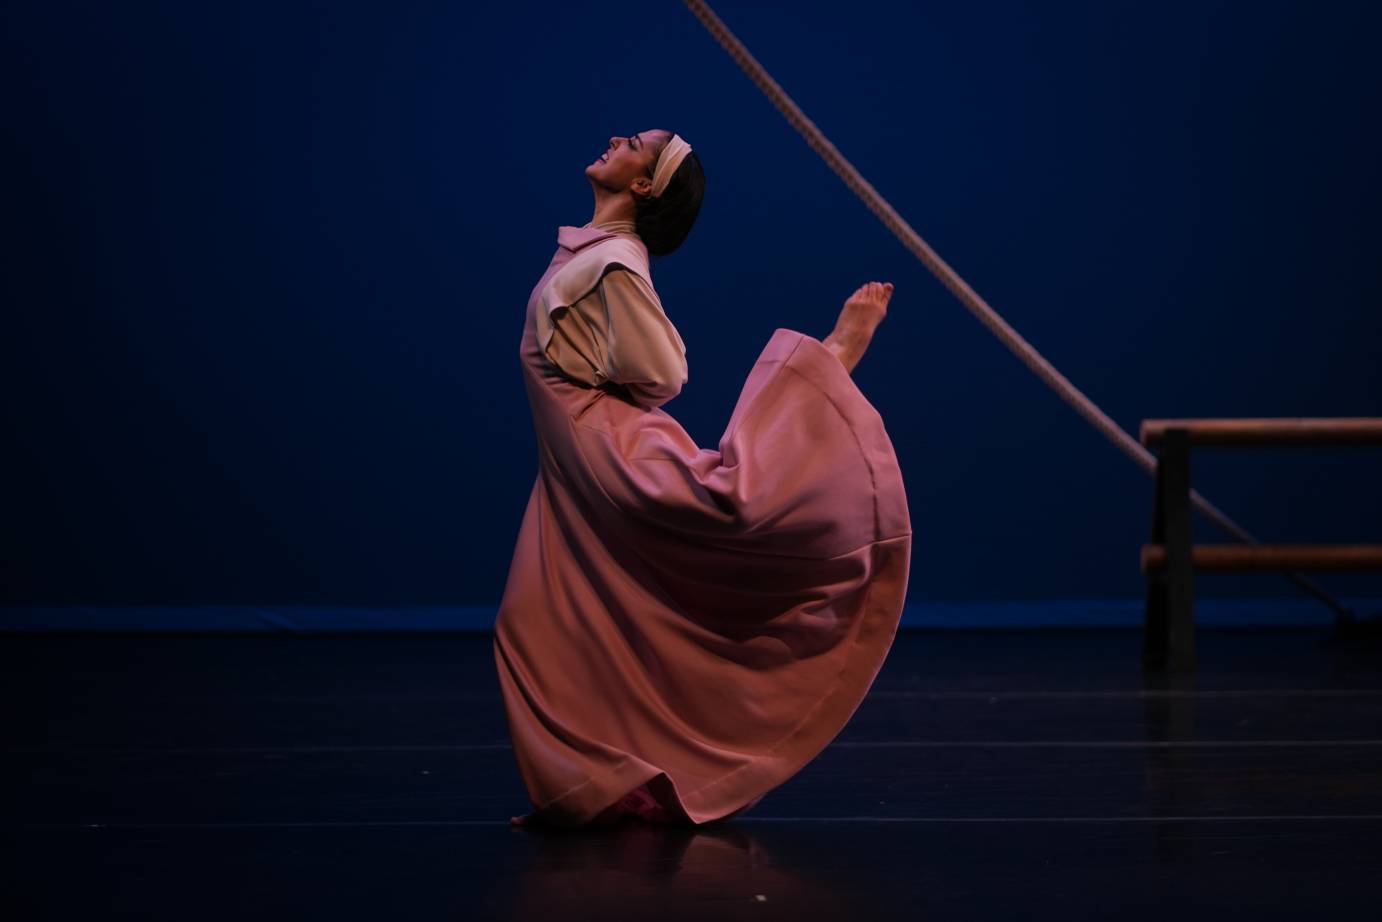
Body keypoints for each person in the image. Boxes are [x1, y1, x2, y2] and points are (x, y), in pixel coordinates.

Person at [495, 129, 911, 828]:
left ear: (645, 185)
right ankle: (607, 781)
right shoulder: (599, 254)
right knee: (539, 623)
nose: (616, 140)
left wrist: (596, 373)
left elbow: (664, 373)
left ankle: (832, 358)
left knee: (730, 503)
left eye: (635, 144)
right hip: (572, 454)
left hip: (599, 441)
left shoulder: (615, 264)